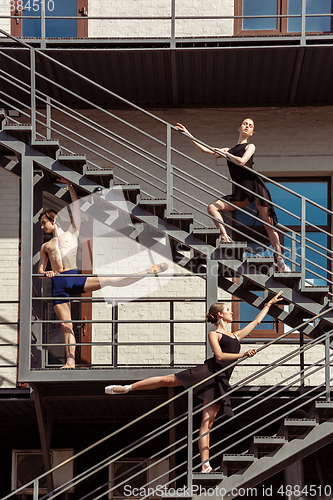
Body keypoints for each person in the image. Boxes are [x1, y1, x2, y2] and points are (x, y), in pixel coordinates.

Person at [105, 291, 283, 473]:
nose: (232, 312)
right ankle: (127, 388)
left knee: (208, 422)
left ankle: (205, 466)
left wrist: (268, 304)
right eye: (228, 309)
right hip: (207, 372)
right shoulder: (215, 335)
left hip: (219, 381)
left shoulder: (236, 336)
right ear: (220, 314)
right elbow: (220, 356)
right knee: (167, 380)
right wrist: (243, 354)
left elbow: (256, 322)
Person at [38, 179, 169, 369]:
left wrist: (70, 186)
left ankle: (147, 272)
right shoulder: (45, 246)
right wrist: (46, 273)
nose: (42, 227)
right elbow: (41, 271)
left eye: (44, 223)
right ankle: (70, 362)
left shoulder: (71, 233)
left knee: (110, 280)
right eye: (41, 225)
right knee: (66, 325)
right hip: (58, 283)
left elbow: (77, 211)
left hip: (74, 276)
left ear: (53, 220)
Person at [175, 119, 291, 273]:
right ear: (239, 128)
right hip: (241, 192)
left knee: (269, 226)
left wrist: (226, 154)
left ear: (251, 132)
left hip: (255, 187)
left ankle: (281, 263)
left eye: (250, 126)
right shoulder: (228, 150)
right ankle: (225, 236)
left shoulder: (250, 146)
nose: (247, 126)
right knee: (212, 207)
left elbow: (242, 162)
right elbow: (204, 150)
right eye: (245, 123)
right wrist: (187, 133)